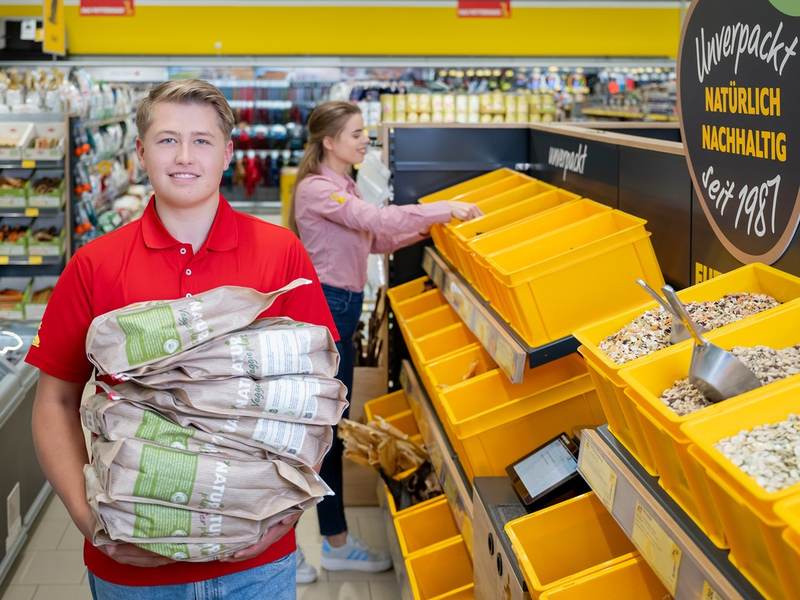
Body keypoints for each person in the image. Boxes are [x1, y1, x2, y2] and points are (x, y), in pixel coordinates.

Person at [26, 79, 338, 600]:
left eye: (202, 140)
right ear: (140, 152)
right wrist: (89, 520)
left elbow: (318, 397)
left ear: (227, 153)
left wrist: (287, 512)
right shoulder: (95, 265)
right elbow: (54, 400)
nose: (185, 156)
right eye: (167, 140)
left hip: (256, 565)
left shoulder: (281, 254)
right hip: (133, 571)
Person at [288, 101, 483, 583]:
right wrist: (443, 208)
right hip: (328, 308)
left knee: (328, 427)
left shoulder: (345, 185)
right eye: (356, 134)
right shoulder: (317, 189)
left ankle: (328, 540)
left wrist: (430, 226)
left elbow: (374, 241)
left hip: (342, 306)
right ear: (329, 141)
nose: (365, 141)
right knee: (319, 430)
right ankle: (305, 547)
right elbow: (374, 221)